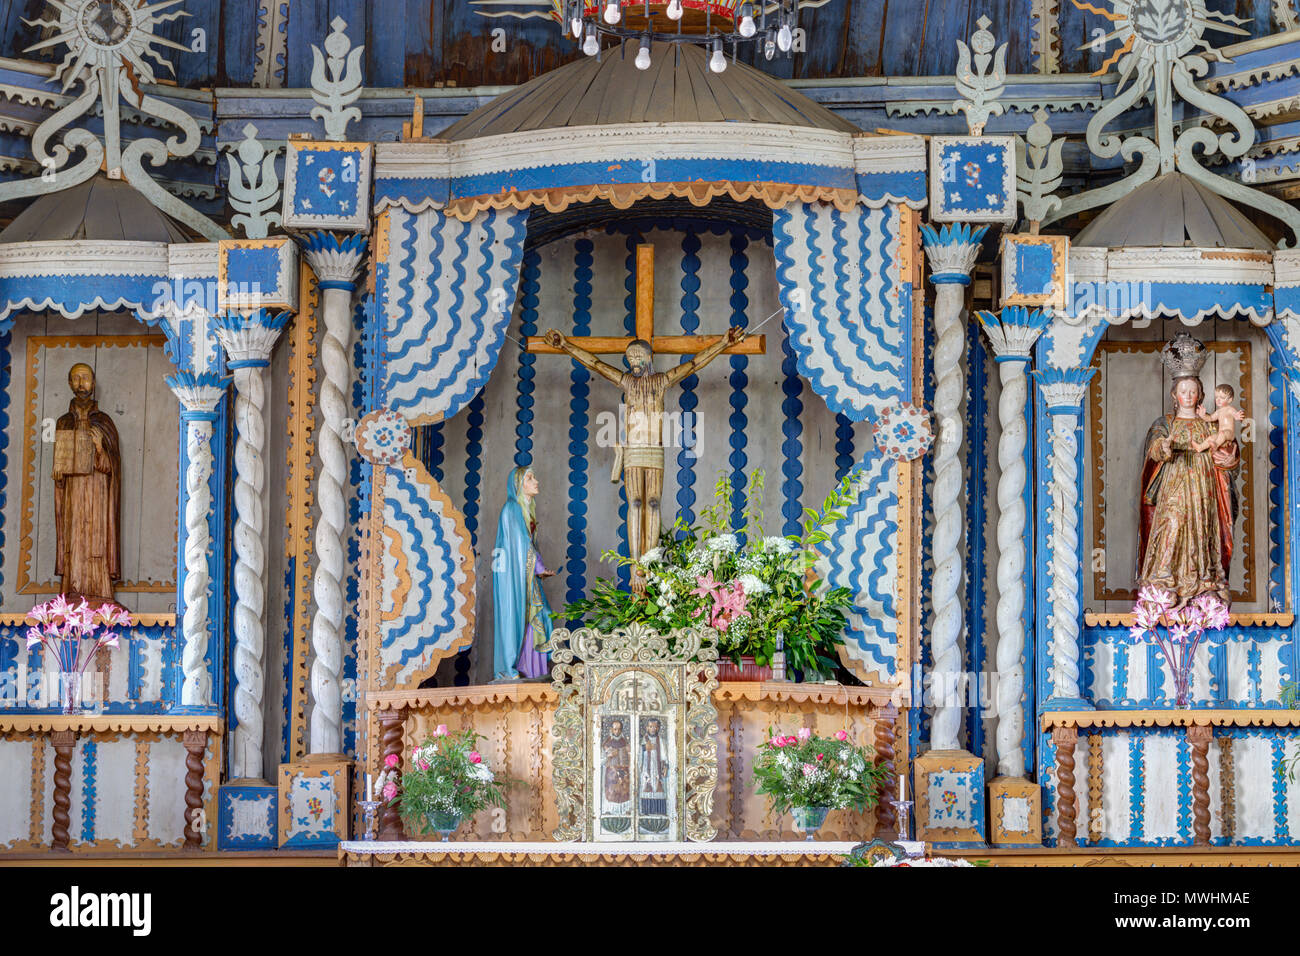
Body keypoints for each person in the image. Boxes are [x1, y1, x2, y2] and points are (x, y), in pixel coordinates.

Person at [1136, 335, 1238, 607]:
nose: (1189, 396)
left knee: (1203, 530)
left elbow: (1228, 454)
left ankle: (1204, 584)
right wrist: (1164, 447)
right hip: (1173, 490)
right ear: (1174, 395)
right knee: (1170, 527)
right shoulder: (1165, 422)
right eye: (1184, 391)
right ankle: (1163, 582)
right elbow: (1154, 449)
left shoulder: (1209, 424)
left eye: (1193, 391)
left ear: (1201, 394)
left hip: (1203, 490)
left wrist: (1225, 452)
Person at [52, 363, 121, 607]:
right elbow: (58, 473)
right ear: (69, 384)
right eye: (76, 378)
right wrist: (59, 471)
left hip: (97, 491)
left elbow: (113, 467)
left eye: (86, 378)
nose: (81, 383)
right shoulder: (62, 423)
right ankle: (72, 590)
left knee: (96, 539)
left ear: (93, 383)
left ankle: (99, 592)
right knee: (74, 539)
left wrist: (101, 448)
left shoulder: (105, 422)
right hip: (73, 495)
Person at [491, 466, 555, 680]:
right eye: (530, 478)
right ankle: (518, 668)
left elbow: (527, 546)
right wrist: (539, 568)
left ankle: (534, 670)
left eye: (534, 477)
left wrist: (540, 570)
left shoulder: (524, 511)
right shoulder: (512, 509)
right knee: (525, 616)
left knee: (540, 616)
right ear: (519, 485)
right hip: (514, 578)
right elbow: (521, 544)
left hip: (526, 576)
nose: (536, 481)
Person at [1192, 383, 1245, 453]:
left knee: (1222, 434)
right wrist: (1203, 415)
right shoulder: (1218, 412)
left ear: (1230, 400)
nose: (1218, 400)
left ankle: (1216, 445)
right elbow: (1210, 418)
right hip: (1220, 434)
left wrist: (1237, 416)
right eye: (1216, 397)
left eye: (1222, 398)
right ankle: (1200, 447)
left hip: (1229, 434)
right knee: (1211, 437)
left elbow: (1235, 414)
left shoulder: (1230, 409)